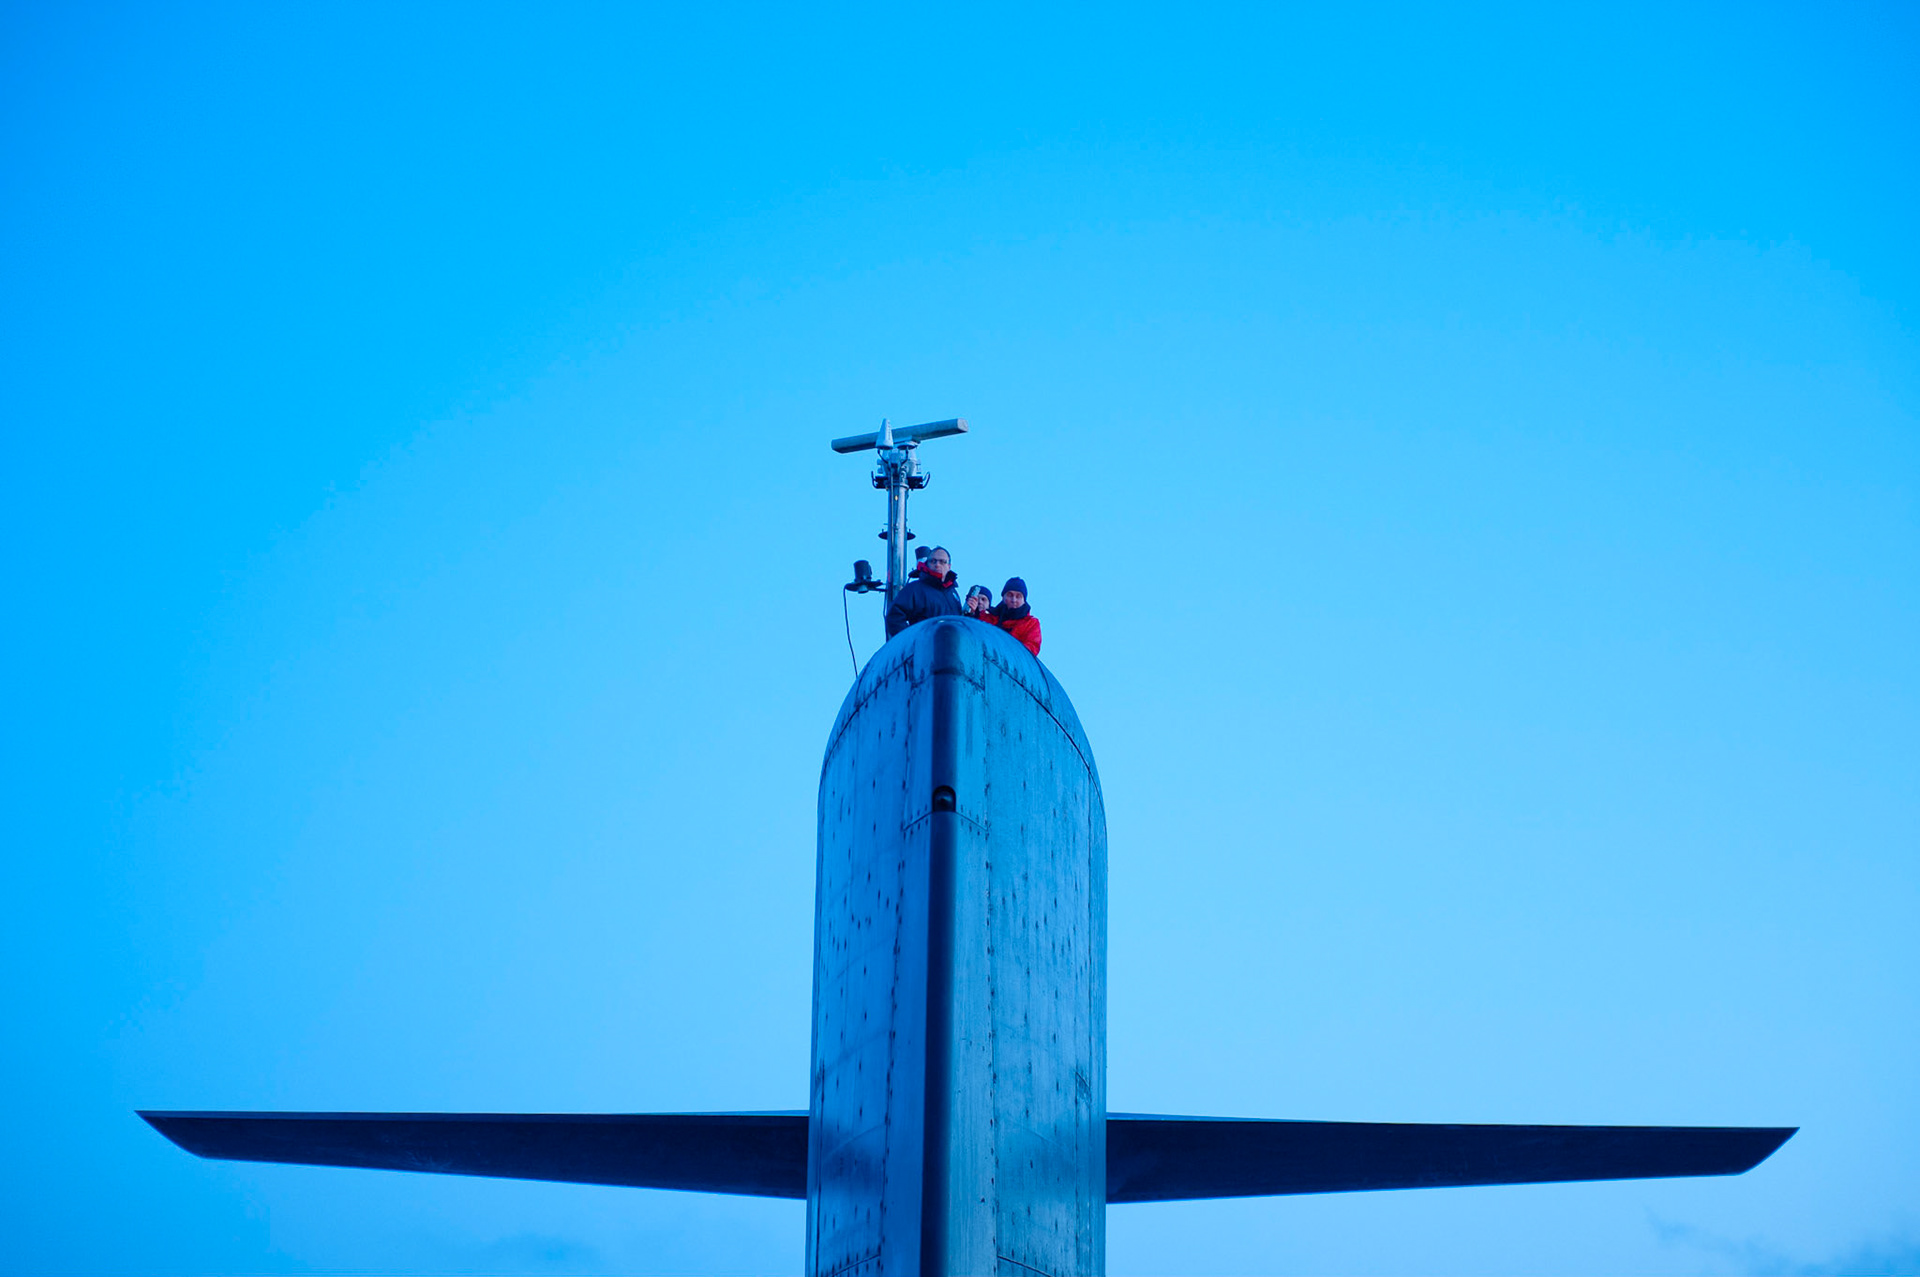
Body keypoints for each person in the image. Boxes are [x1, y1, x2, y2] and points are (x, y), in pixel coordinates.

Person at [884, 545, 961, 638]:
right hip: (927, 649)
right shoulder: (915, 589)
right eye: (933, 561)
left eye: (942, 562)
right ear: (927, 563)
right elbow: (894, 616)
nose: (937, 564)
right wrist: (911, 642)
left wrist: (972, 613)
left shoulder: (953, 593)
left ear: (949, 566)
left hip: (952, 648)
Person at [984, 577, 1041, 656]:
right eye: (1010, 595)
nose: (1014, 600)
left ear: (1024, 600)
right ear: (1003, 597)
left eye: (1018, 596)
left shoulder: (1031, 624)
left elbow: (1032, 647)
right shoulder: (989, 618)